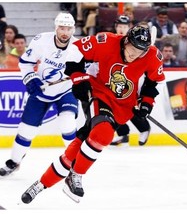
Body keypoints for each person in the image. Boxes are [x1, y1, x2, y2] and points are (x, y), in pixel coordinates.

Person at [20, 25, 165, 204]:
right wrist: (79, 78)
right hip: (100, 94)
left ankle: (40, 184)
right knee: (103, 135)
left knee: (76, 148)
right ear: (126, 41)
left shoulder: (152, 55)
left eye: (140, 52)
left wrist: (146, 104)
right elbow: (75, 50)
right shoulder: (106, 41)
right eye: (133, 50)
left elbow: (152, 83)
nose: (135, 55)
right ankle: (76, 176)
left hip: (124, 107)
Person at [0, 12, 80, 177]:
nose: (65, 32)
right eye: (62, 28)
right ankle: (14, 161)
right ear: (56, 27)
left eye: (68, 28)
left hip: (65, 90)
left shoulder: (79, 47)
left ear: (73, 30)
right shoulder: (41, 40)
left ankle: (75, 163)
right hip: (42, 90)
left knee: (67, 123)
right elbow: (26, 63)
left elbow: (89, 70)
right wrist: (30, 79)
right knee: (26, 130)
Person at [110, 18, 152, 146]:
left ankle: (144, 128)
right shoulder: (112, 40)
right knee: (113, 106)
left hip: (132, 79)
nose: (122, 29)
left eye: (125, 26)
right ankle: (123, 134)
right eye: (120, 26)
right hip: (115, 77)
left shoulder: (137, 42)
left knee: (129, 106)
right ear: (116, 27)